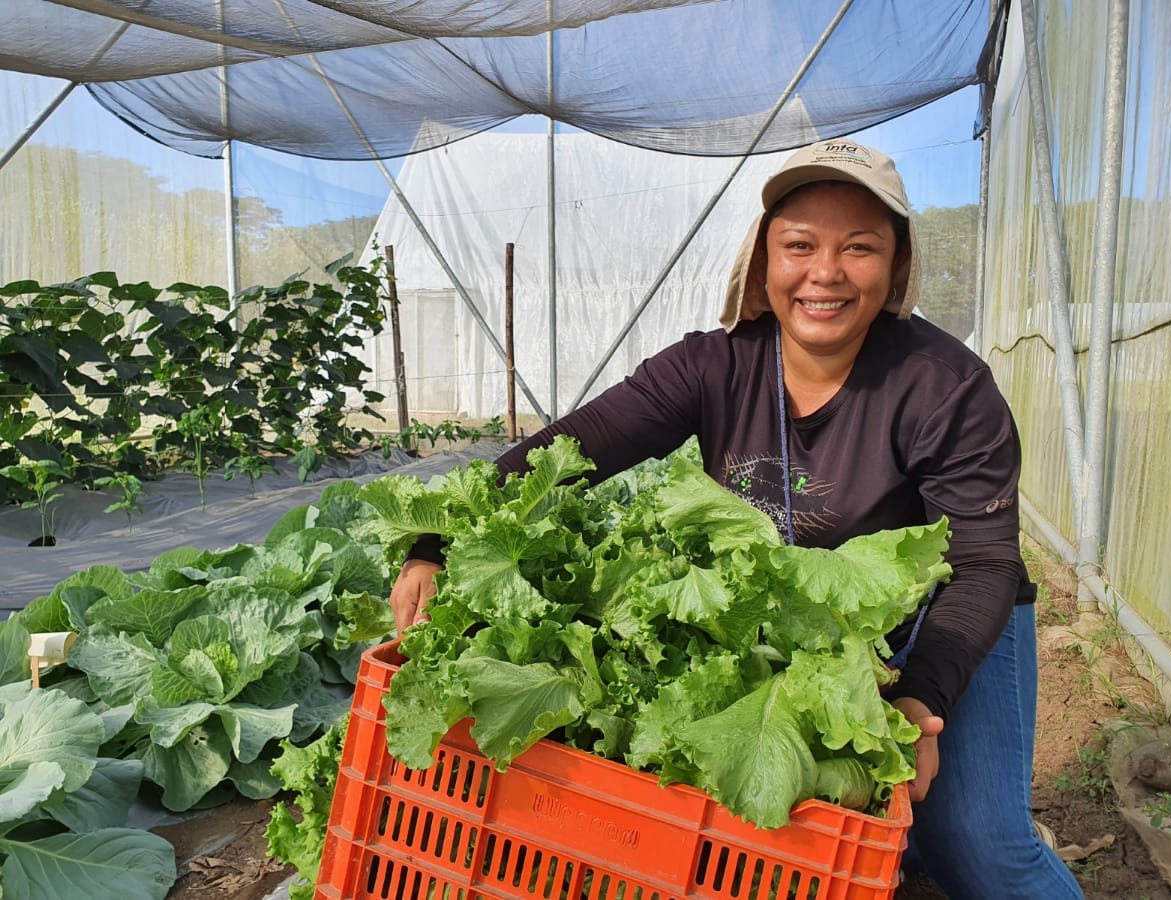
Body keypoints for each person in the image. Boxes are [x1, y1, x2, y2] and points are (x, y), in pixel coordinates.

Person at [390, 139, 1082, 899]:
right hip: (797, 624)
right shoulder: (714, 365)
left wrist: (921, 698)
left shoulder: (945, 388)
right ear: (763, 262)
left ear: (895, 267)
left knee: (979, 846)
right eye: (799, 246)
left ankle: (955, 843)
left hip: (945, 615)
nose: (826, 272)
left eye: (859, 247)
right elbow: (569, 451)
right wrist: (434, 543)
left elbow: (983, 563)